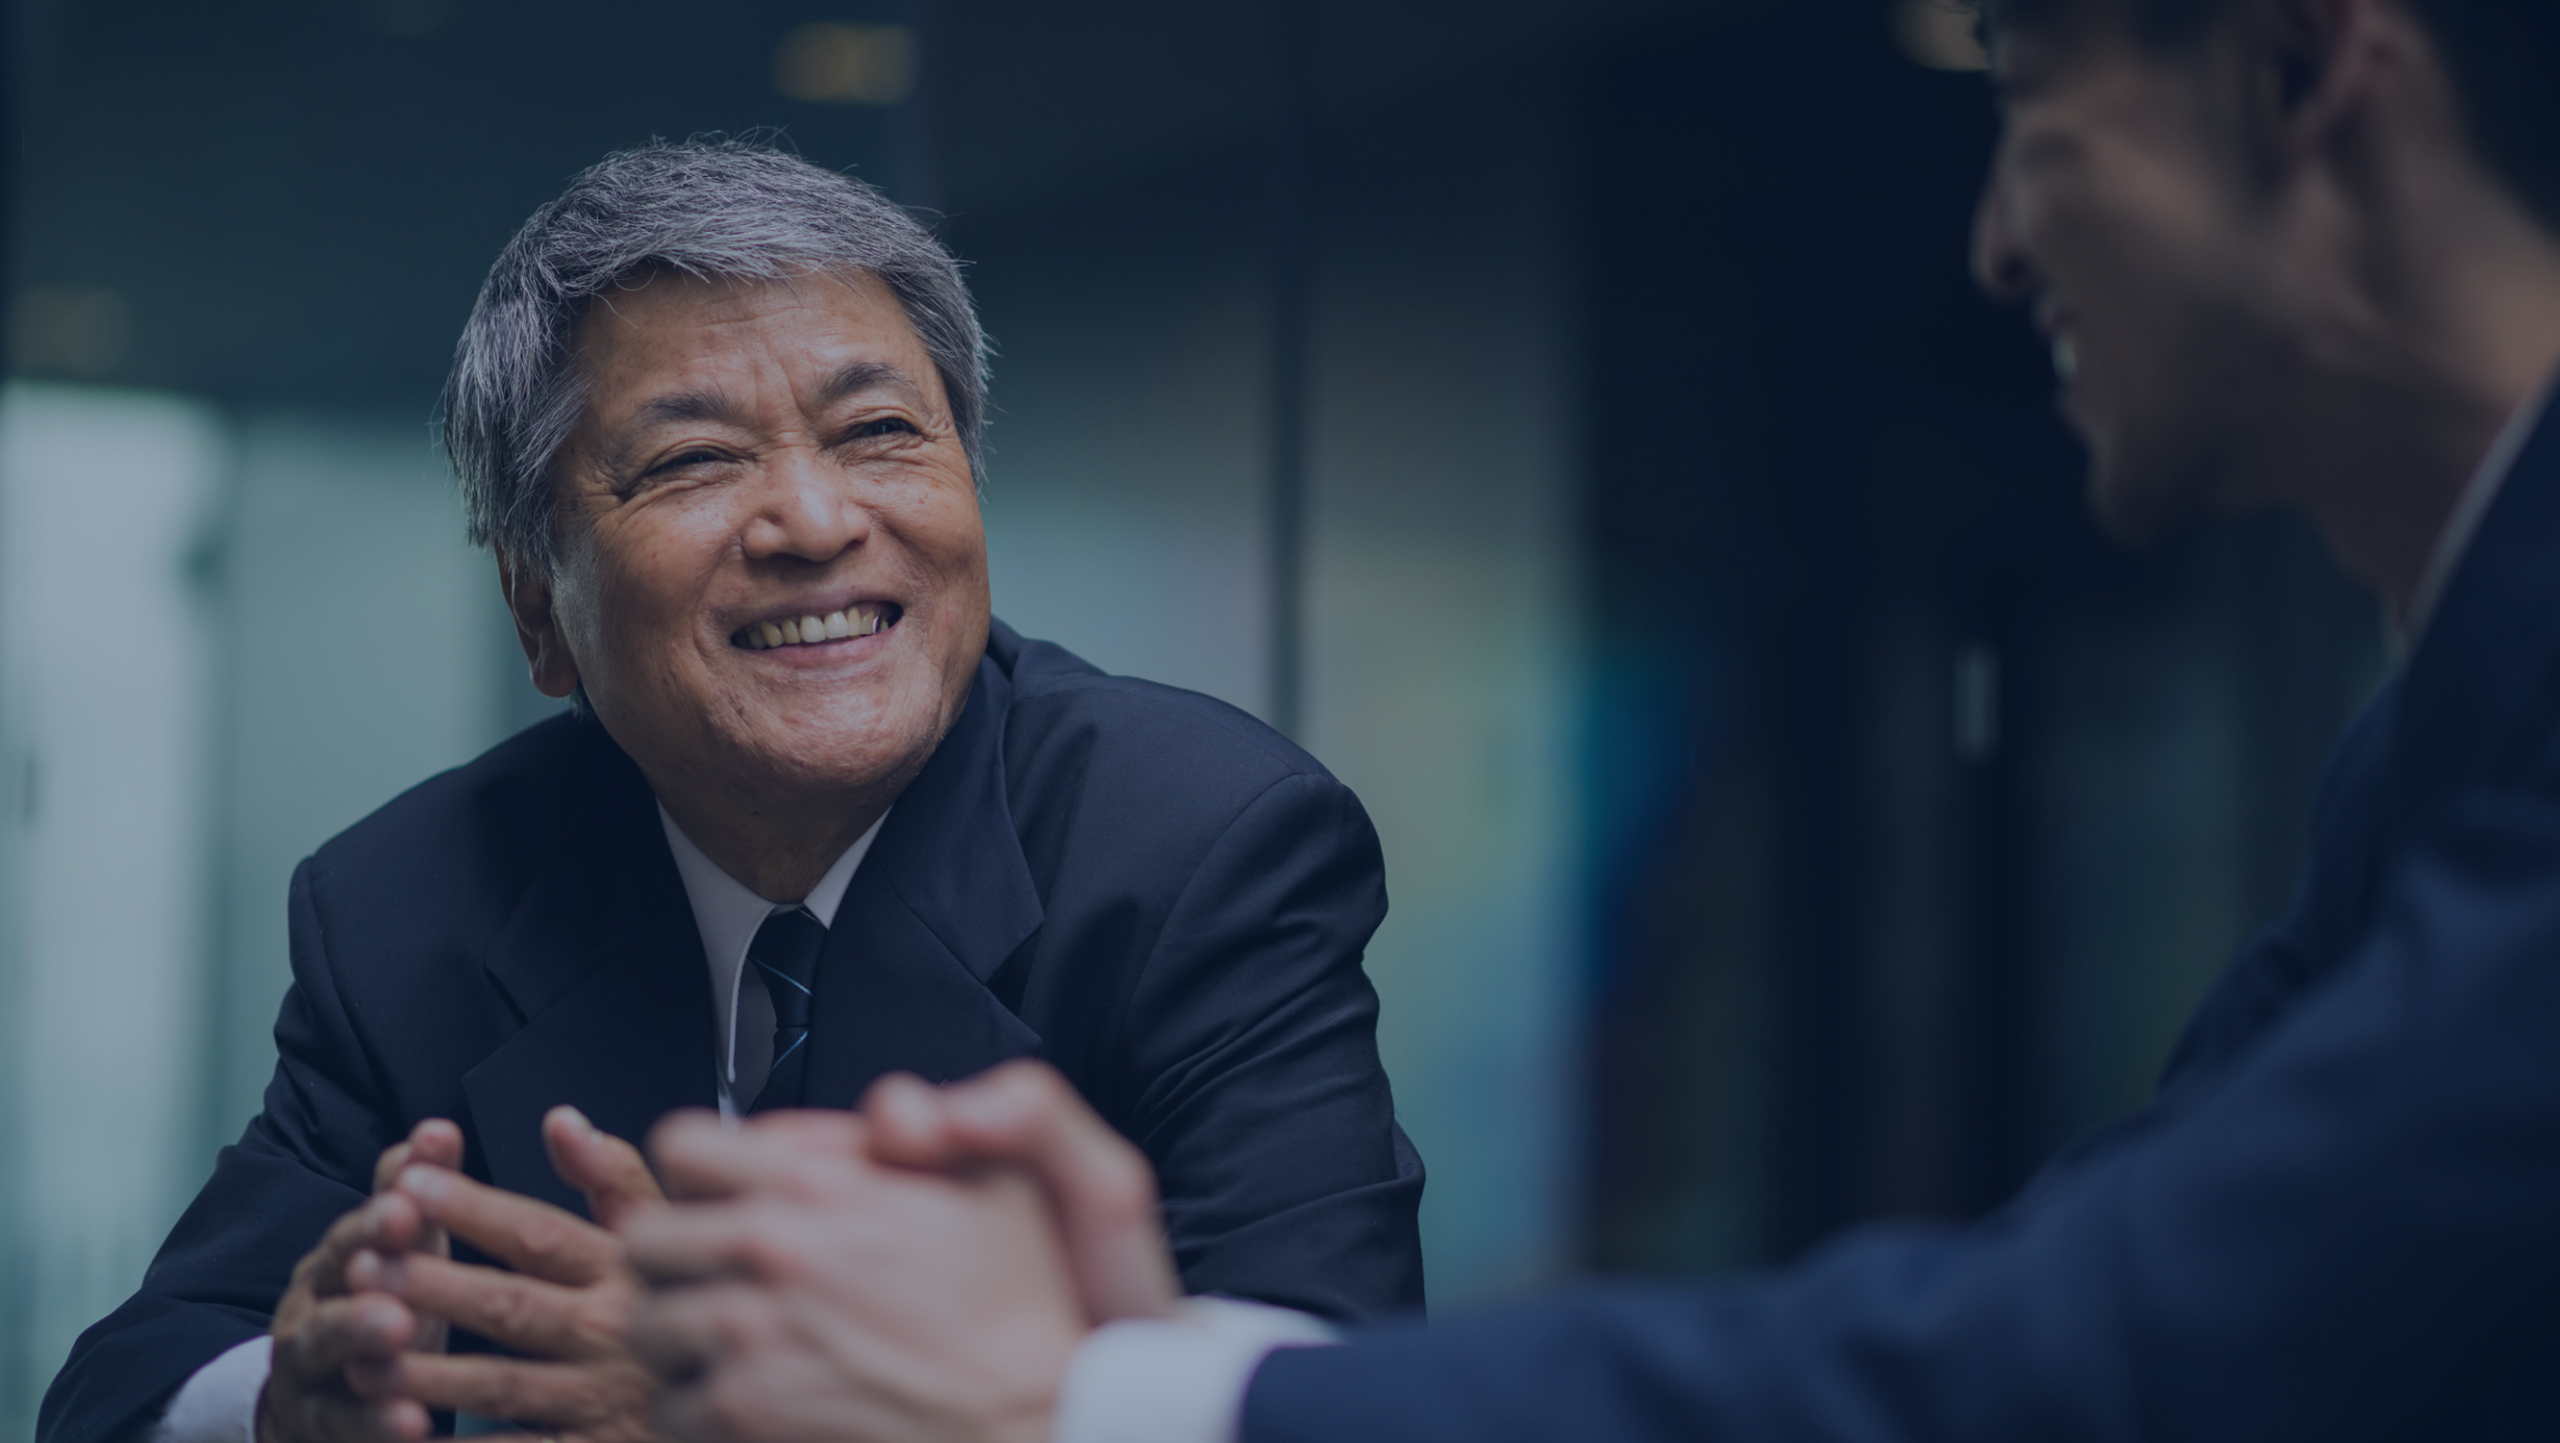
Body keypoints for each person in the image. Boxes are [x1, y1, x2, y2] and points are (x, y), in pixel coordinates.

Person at [605, 0, 2560, 1435]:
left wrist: (1132, 1396)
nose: (1992, 239)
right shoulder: (2436, 734)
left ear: (2302, 70)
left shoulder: (1214, 830)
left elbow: (2104, 1362)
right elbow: (2114, 1279)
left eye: (2030, 98)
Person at [34, 140, 1426, 1443]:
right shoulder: (414, 903)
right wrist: (299, 1395)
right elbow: (128, 1385)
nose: (816, 524)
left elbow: (1320, 1394)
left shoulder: (1201, 845)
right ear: (539, 610)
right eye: (695, 460)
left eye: (878, 430)